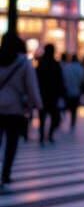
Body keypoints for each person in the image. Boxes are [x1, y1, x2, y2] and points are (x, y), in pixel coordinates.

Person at [0, 34, 41, 187]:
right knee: (12, 143)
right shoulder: (23, 63)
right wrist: (38, 104)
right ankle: (6, 173)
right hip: (14, 109)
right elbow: (31, 86)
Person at [35, 43, 64, 144]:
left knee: (42, 116)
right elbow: (60, 80)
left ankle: (42, 136)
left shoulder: (41, 63)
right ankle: (49, 135)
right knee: (54, 117)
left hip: (43, 94)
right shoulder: (55, 64)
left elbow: (37, 79)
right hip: (52, 95)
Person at [61, 54, 84, 131]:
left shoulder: (66, 68)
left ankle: (63, 120)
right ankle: (73, 122)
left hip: (67, 91)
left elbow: (63, 79)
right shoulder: (80, 68)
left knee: (66, 106)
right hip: (76, 91)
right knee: (74, 109)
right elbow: (82, 80)